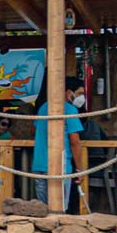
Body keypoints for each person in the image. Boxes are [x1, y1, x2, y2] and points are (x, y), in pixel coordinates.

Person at [29, 77, 85, 210]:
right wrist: (80, 169)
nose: (81, 98)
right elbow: (75, 142)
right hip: (60, 166)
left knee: (42, 211)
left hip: (39, 165)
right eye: (79, 93)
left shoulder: (44, 107)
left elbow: (34, 129)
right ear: (68, 92)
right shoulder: (70, 110)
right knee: (59, 211)